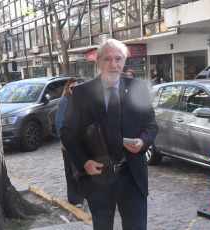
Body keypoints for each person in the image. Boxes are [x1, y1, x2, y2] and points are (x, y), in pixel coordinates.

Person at [61, 38, 158, 230]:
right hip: (99, 178)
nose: (113, 65)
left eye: (118, 59)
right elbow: (67, 133)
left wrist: (143, 141)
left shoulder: (138, 88)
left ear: (124, 61)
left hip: (132, 176)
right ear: (97, 62)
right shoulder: (81, 93)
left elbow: (152, 125)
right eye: (107, 59)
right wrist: (84, 162)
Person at [55, 77, 84, 208]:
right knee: (70, 169)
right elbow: (58, 121)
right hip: (68, 139)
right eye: (72, 88)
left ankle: (82, 195)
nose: (75, 90)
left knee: (80, 166)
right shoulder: (64, 101)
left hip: (80, 139)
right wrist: (61, 138)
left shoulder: (80, 100)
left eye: (77, 87)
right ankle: (73, 198)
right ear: (68, 88)